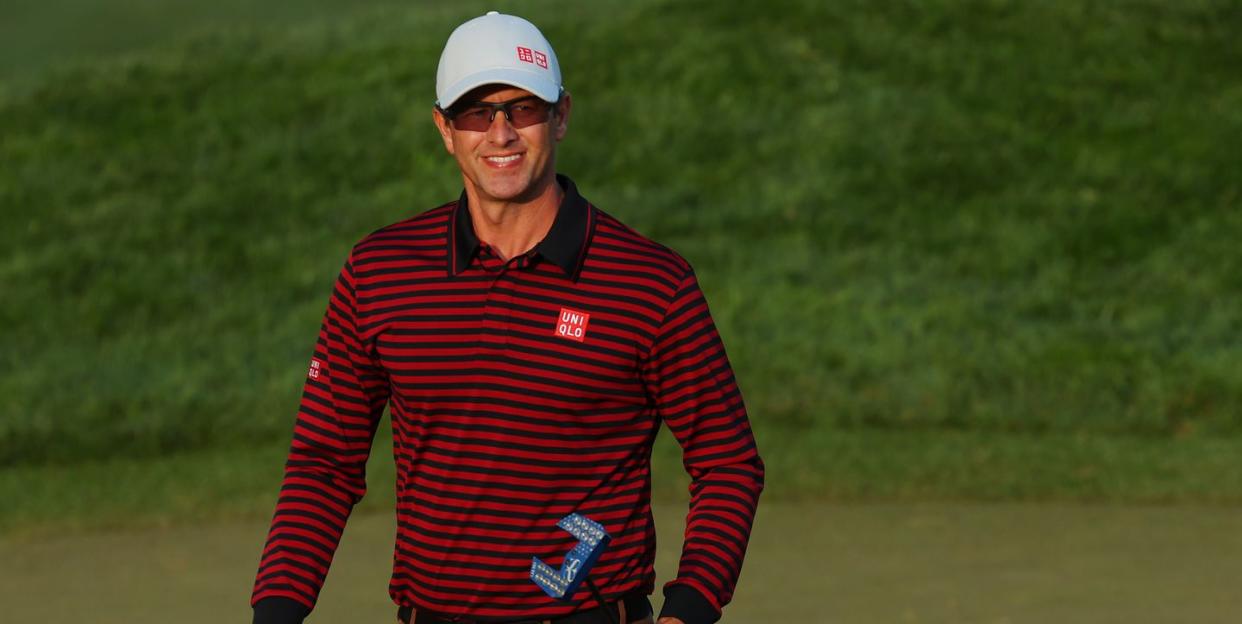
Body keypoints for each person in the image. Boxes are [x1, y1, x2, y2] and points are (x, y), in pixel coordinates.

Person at [251, 11, 763, 624]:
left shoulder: (650, 282)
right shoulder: (379, 273)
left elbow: (727, 461)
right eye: (476, 113)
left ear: (562, 116)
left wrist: (691, 608)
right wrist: (276, 613)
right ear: (444, 129)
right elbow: (324, 462)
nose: (501, 135)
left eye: (522, 109)